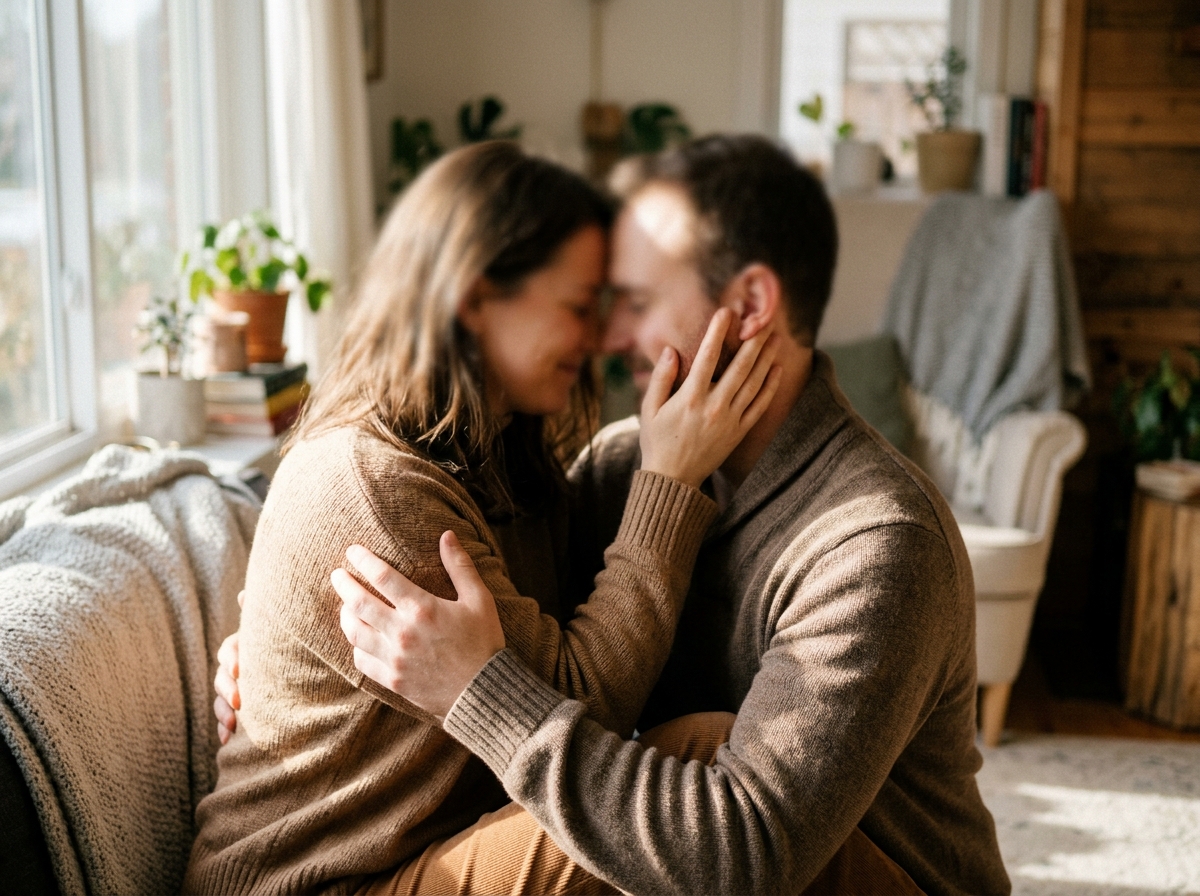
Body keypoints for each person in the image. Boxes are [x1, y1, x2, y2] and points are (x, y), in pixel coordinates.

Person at [321, 135, 1013, 894]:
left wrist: (479, 694)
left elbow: (743, 857)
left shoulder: (875, 544)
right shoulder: (631, 468)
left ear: (749, 306)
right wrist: (306, 623)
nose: (609, 339)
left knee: (702, 761)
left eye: (639, 303)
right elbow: (508, 615)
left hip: (866, 882)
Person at [183, 141, 781, 896]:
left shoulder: (497, 454)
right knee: (695, 764)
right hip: (324, 885)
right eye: (575, 307)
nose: (599, 339)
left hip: (427, 848)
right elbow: (582, 712)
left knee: (710, 765)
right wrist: (670, 481)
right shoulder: (379, 489)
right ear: (474, 297)